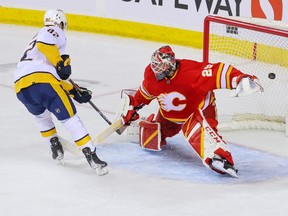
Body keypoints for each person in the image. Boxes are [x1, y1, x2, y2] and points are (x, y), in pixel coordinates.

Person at [120, 45, 263, 177]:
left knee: (200, 132)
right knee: (150, 138)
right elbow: (144, 94)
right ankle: (163, 130)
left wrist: (240, 78)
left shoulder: (192, 73)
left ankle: (219, 156)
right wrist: (133, 107)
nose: (155, 69)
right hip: (168, 117)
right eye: (154, 65)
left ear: (170, 65)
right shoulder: (151, 76)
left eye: (160, 66)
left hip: (199, 111)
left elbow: (219, 71)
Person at [13, 9, 108, 175]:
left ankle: (54, 144)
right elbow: (45, 47)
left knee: (41, 116)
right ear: (60, 22)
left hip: (21, 88)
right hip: (43, 83)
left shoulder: (35, 47)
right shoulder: (54, 30)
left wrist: (73, 91)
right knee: (70, 118)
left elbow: (53, 79)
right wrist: (60, 62)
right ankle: (91, 155)